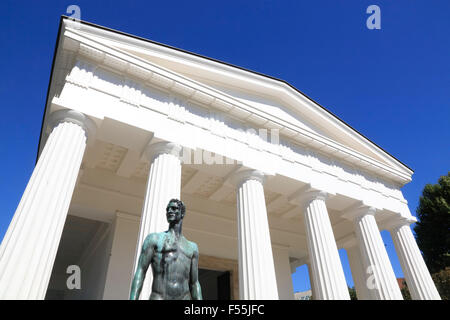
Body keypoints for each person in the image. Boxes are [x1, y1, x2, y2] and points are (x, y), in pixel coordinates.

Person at [130, 199, 202, 300]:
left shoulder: (192, 247)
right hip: (159, 297)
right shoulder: (154, 239)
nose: (169, 211)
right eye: (167, 209)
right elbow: (141, 271)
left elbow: (194, 283)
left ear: (182, 213)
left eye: (174, 208)